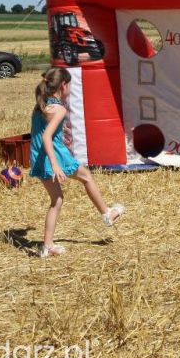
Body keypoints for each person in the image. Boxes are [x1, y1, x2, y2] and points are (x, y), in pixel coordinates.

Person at [30, 67, 124, 257]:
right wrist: (55, 164)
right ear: (63, 85)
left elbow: (40, 135)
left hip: (38, 158)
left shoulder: (40, 106)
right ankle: (107, 213)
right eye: (70, 84)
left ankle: (47, 246)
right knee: (87, 177)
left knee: (56, 201)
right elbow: (47, 137)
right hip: (55, 158)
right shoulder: (59, 109)